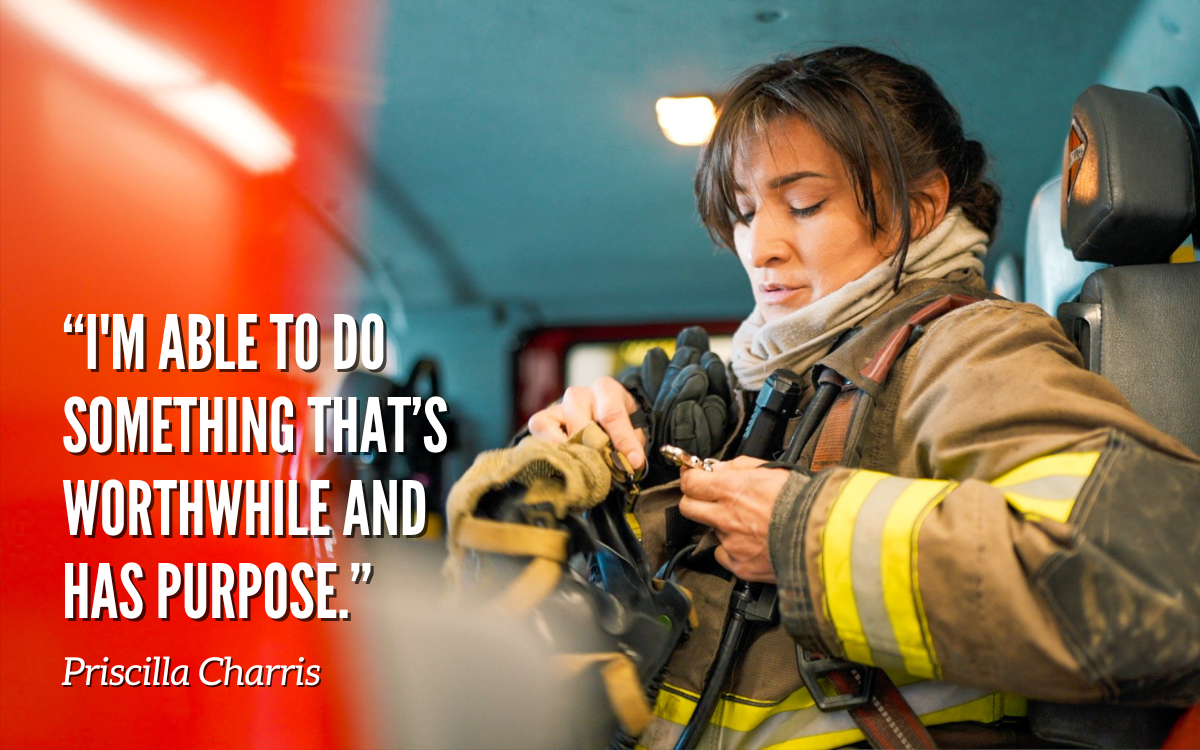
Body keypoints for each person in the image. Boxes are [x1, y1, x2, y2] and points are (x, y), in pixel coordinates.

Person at [526, 46, 1200, 748]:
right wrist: (578, 473)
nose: (761, 249)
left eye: (805, 204)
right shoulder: (756, 385)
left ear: (922, 204)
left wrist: (798, 533)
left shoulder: (968, 347)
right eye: (745, 212)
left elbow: (1161, 584)